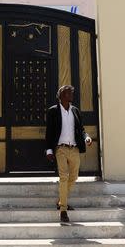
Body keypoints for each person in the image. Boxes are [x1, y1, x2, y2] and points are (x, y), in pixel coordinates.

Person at [45, 85, 92, 223]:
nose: (72, 94)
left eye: (72, 92)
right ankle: (63, 210)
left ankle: (61, 200)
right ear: (61, 95)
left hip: (74, 149)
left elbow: (81, 129)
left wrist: (86, 137)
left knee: (74, 177)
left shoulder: (75, 111)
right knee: (63, 177)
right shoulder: (53, 111)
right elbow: (49, 132)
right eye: (68, 92)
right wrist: (49, 149)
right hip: (61, 148)